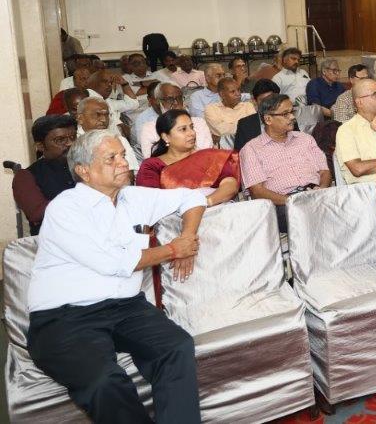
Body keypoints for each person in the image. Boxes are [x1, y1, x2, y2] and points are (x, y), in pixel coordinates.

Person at [26, 130, 205, 423]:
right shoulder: (65, 208)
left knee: (176, 347)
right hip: (64, 317)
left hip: (126, 307)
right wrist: (174, 250)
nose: (124, 163)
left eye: (123, 155)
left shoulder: (132, 197)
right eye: (112, 158)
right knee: (104, 382)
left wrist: (187, 237)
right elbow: (114, 263)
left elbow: (193, 197)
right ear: (84, 171)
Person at [239, 94, 330, 231]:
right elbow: (257, 191)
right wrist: (292, 201)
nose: (292, 117)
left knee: (345, 207)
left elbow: (324, 171)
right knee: (312, 218)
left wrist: (322, 188)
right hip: (282, 204)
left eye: (292, 112)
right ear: (268, 119)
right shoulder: (251, 149)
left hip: (315, 195)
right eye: (285, 114)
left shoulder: (305, 139)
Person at [136, 109, 240, 206]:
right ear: (166, 137)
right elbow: (150, 200)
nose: (192, 133)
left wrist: (203, 203)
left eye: (192, 127)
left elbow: (230, 184)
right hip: (173, 217)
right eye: (183, 129)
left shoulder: (209, 157)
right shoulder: (152, 165)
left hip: (215, 209)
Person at [12, 115, 77, 235]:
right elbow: (37, 213)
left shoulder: (87, 165)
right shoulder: (26, 176)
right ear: (41, 146)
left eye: (73, 137)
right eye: (60, 140)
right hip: (53, 239)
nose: (70, 143)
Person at [138, 83, 214, 159]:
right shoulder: (149, 128)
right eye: (170, 99)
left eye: (179, 98)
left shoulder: (199, 122)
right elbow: (152, 160)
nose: (176, 103)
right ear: (158, 101)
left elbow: (207, 154)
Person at [77, 97, 140, 176]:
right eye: (97, 115)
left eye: (106, 115)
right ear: (80, 118)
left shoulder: (119, 140)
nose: (103, 119)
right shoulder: (73, 142)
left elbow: (130, 174)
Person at [234, 79, 280, 153]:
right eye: (263, 101)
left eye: (271, 100)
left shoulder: (287, 119)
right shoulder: (244, 124)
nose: (267, 104)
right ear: (255, 101)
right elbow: (240, 153)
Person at [132, 81, 162, 148]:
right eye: (157, 98)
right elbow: (146, 145)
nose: (161, 102)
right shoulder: (143, 119)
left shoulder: (175, 111)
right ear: (149, 99)